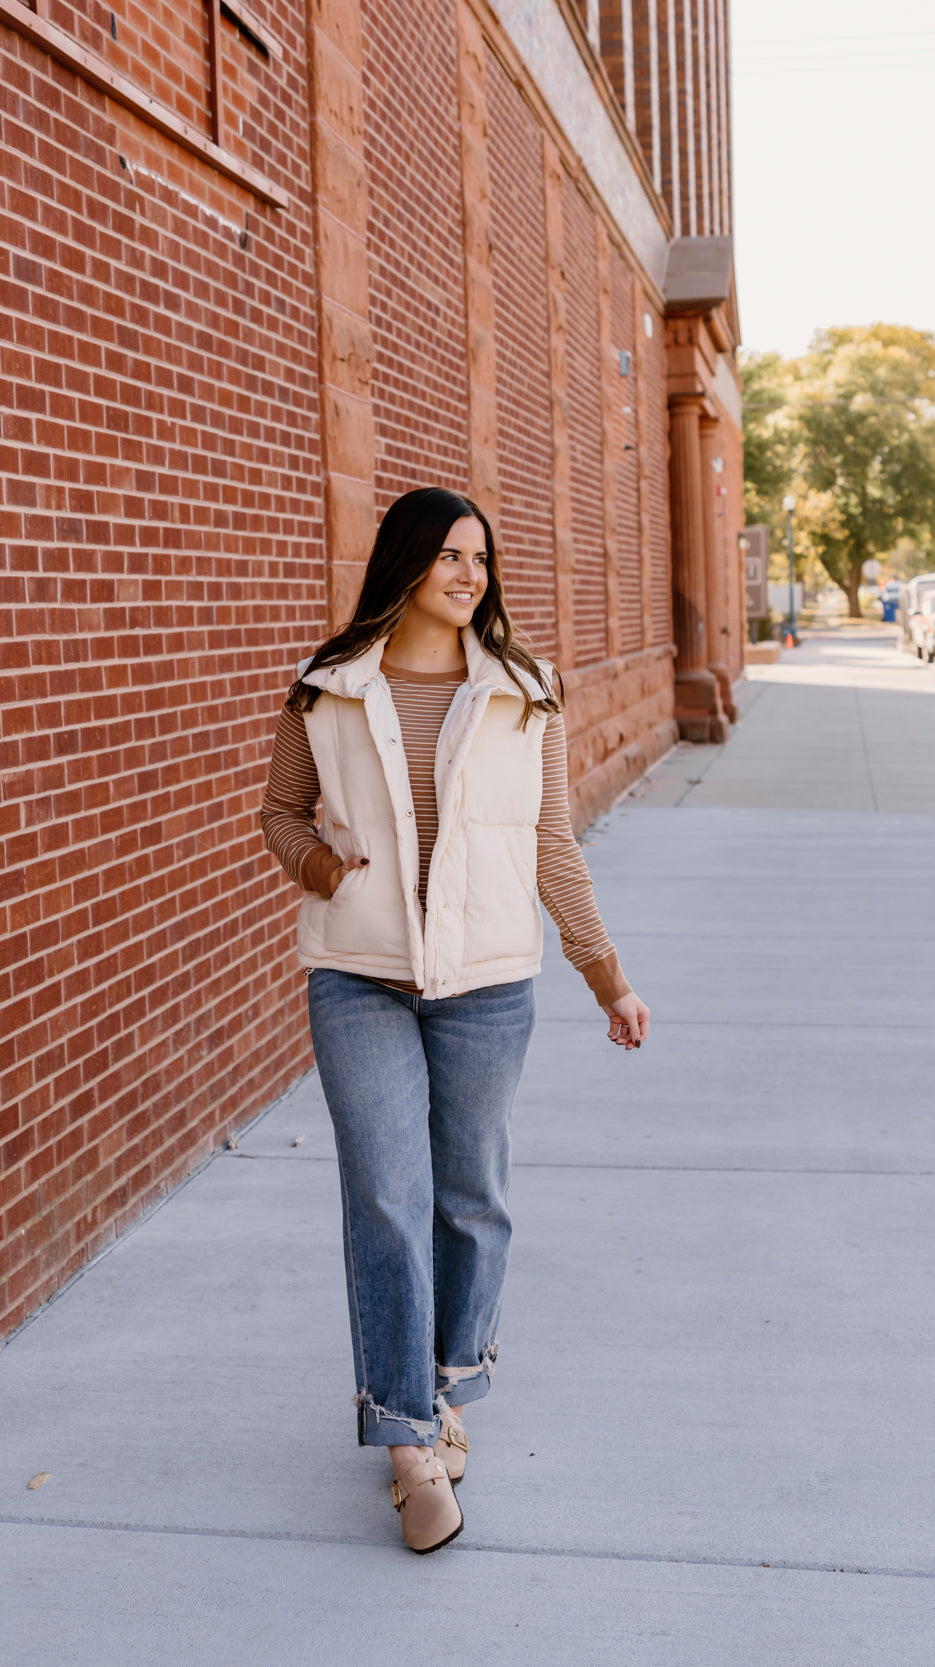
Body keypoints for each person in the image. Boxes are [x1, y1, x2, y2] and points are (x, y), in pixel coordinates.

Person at [261, 487, 649, 1554]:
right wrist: (321, 866)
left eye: (479, 555)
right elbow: (278, 810)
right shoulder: (328, 687)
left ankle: (451, 1382)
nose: (467, 572)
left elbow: (551, 846)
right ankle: (405, 1439)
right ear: (405, 564)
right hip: (359, 976)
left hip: (486, 982)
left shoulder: (525, 691)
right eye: (445, 554)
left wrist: (604, 973)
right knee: (388, 1196)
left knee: (470, 1192)